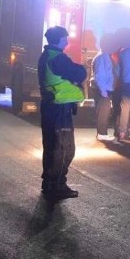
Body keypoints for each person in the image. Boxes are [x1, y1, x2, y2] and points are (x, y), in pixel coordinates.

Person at [38, 26, 87, 201]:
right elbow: (79, 73)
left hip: (50, 107)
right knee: (64, 149)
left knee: (51, 147)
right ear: (59, 39)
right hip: (60, 110)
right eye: (65, 38)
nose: (67, 41)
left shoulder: (46, 56)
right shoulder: (58, 58)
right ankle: (57, 185)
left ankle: (49, 183)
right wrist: (81, 71)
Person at [91, 33, 119, 141]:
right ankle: (102, 134)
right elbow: (100, 75)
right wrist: (103, 91)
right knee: (103, 111)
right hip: (103, 89)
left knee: (103, 111)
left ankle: (102, 133)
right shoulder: (102, 57)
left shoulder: (104, 56)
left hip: (104, 88)